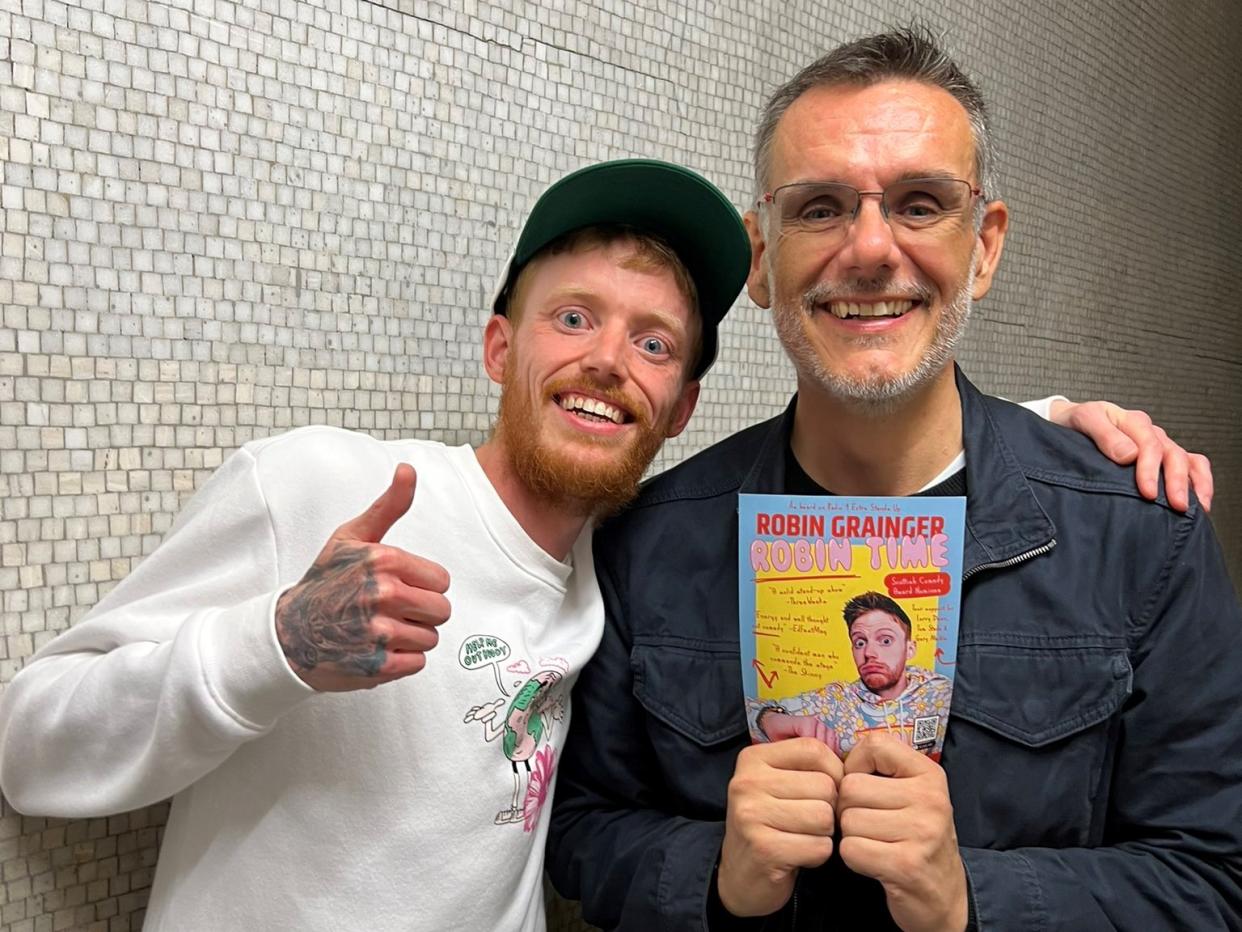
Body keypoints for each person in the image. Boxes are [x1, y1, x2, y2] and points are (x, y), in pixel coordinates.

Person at [548, 28, 1242, 932]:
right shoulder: (647, 543)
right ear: (761, 259)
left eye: (920, 204)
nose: (871, 250)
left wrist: (971, 899)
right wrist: (714, 875)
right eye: (822, 208)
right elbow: (580, 831)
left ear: (984, 247)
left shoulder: (1146, 535)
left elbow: (1212, 876)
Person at [0, 158, 755, 931]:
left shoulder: (614, 580)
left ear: (680, 410)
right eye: (572, 318)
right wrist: (276, 645)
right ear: (499, 349)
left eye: (655, 344)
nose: (608, 360)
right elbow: (28, 750)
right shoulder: (318, 483)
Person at [750, 591, 953, 758]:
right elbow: (751, 709)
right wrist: (770, 720)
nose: (869, 653)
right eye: (860, 642)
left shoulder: (939, 693)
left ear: (910, 649)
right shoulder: (835, 700)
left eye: (885, 641)